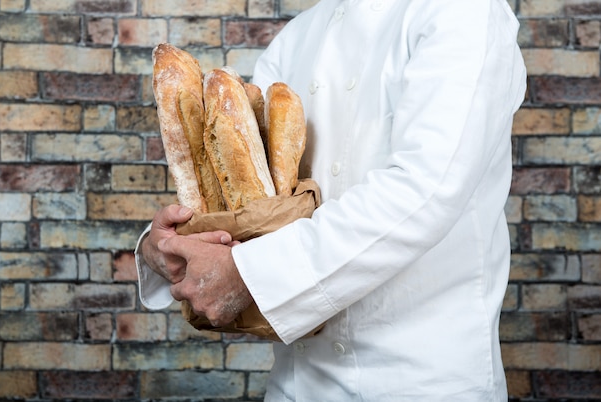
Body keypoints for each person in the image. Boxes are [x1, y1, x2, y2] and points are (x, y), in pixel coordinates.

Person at [134, 0, 527, 400]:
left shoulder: (464, 12)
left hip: (422, 381)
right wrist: (167, 245)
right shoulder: (296, 38)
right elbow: (253, 205)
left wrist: (247, 272)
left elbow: (427, 189)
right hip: (297, 385)